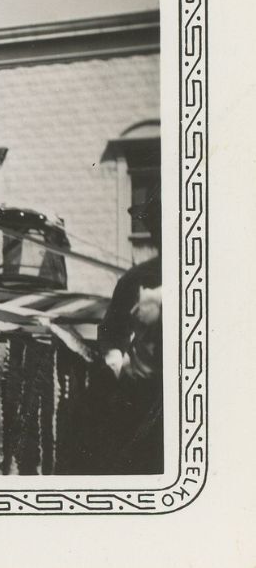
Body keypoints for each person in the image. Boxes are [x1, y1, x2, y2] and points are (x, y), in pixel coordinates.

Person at [96, 188, 163, 473]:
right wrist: (116, 360)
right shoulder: (136, 279)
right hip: (144, 395)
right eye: (156, 226)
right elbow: (111, 331)